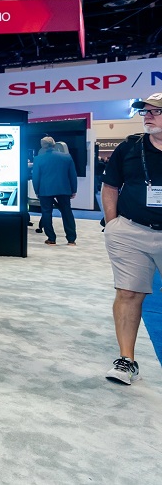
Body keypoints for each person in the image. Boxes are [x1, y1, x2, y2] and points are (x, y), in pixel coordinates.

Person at [102, 94, 162, 385]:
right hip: (131, 232)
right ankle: (127, 360)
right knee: (128, 294)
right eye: (146, 112)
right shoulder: (129, 147)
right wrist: (113, 225)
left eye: (156, 111)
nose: (148, 116)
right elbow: (110, 186)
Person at [31, 136, 77, 246]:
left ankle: (51, 238)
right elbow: (72, 175)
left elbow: (35, 177)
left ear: (42, 146)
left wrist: (37, 190)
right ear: (54, 144)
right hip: (64, 189)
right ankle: (71, 239)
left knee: (46, 213)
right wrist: (73, 189)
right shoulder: (67, 157)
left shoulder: (38, 159)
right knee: (67, 212)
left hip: (45, 190)